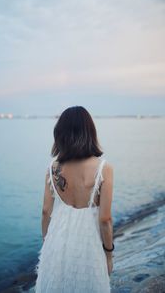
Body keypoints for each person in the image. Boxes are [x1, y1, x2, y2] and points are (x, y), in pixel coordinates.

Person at [34, 105, 114, 292]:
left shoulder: (53, 168)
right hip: (89, 246)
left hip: (56, 242)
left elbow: (46, 211)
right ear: (90, 132)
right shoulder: (104, 168)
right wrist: (109, 254)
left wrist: (47, 242)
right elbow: (105, 219)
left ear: (60, 134)